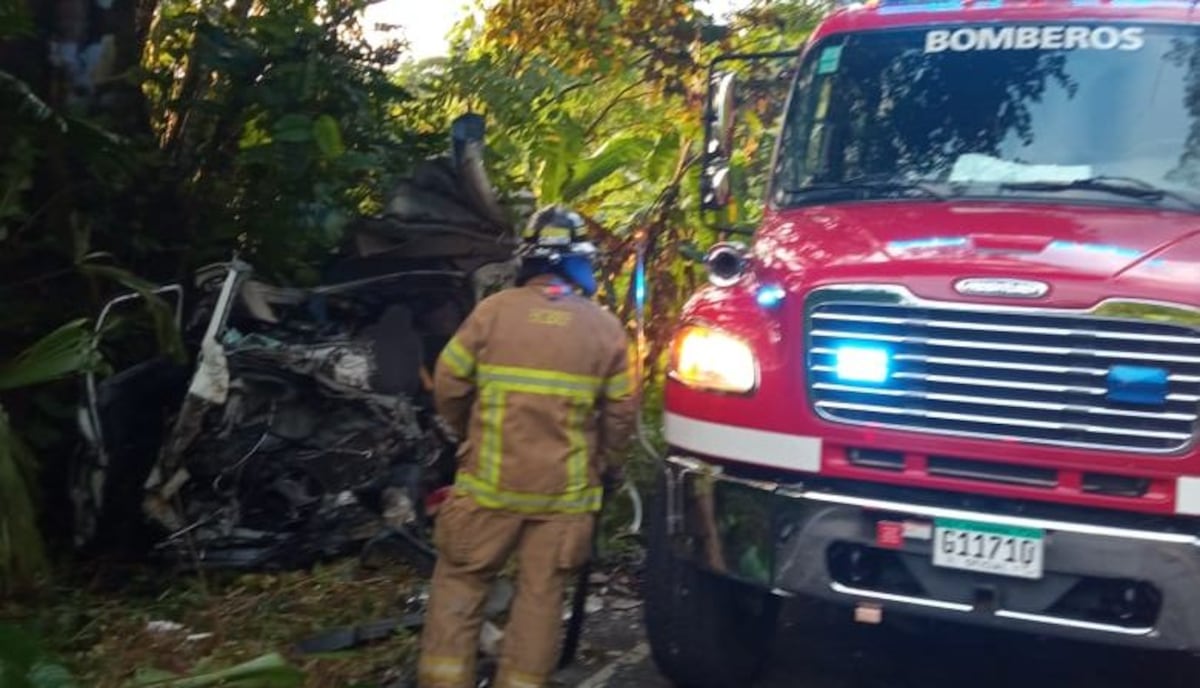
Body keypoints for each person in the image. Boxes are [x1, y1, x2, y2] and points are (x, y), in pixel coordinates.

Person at [417, 206, 636, 688]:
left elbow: (449, 384)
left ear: (529, 261)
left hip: (487, 488)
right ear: (581, 263)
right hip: (562, 499)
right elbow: (621, 418)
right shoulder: (605, 329)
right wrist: (603, 460)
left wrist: (466, 434)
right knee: (540, 599)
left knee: (461, 584)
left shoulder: (493, 312)